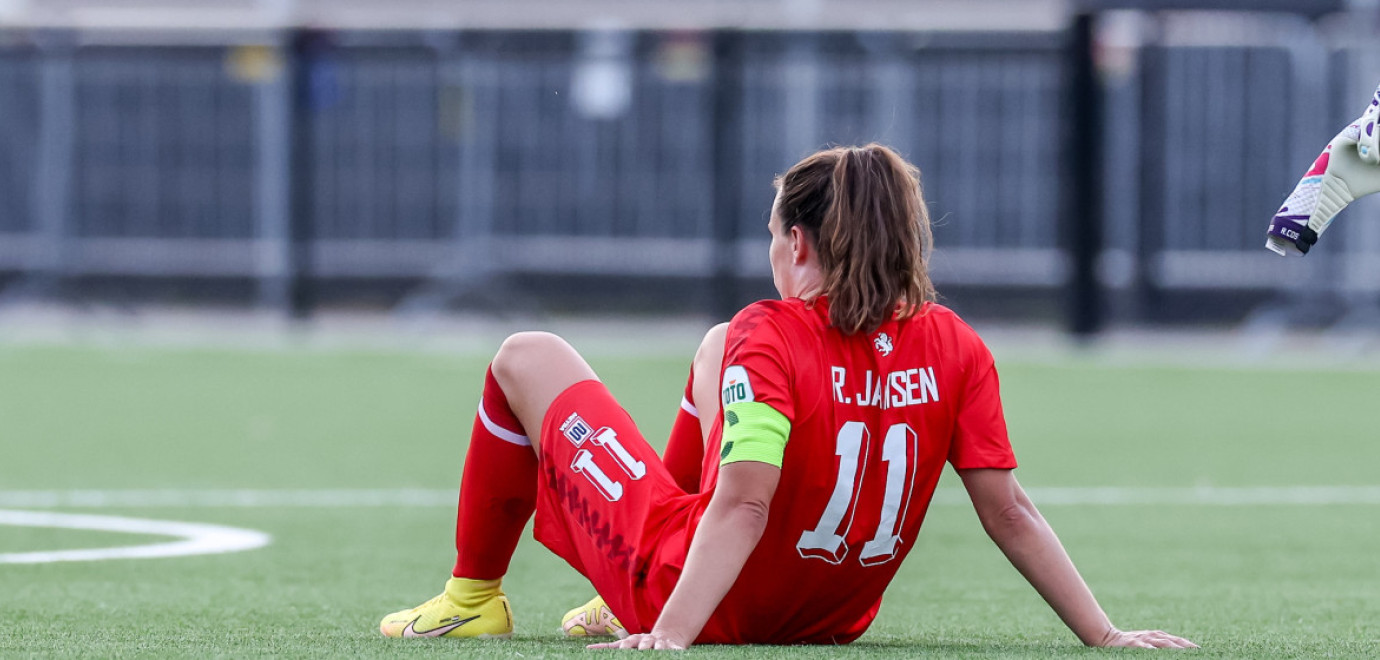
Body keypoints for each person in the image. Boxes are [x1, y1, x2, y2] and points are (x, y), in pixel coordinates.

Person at [378, 144, 1197, 650]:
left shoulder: (769, 332)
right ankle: (612, 597)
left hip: (695, 602)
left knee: (527, 354)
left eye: (774, 234)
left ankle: (472, 600)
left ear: (798, 242)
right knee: (714, 351)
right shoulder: (954, 342)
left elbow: (742, 507)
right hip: (825, 619)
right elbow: (1008, 509)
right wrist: (1106, 633)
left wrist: (666, 633)